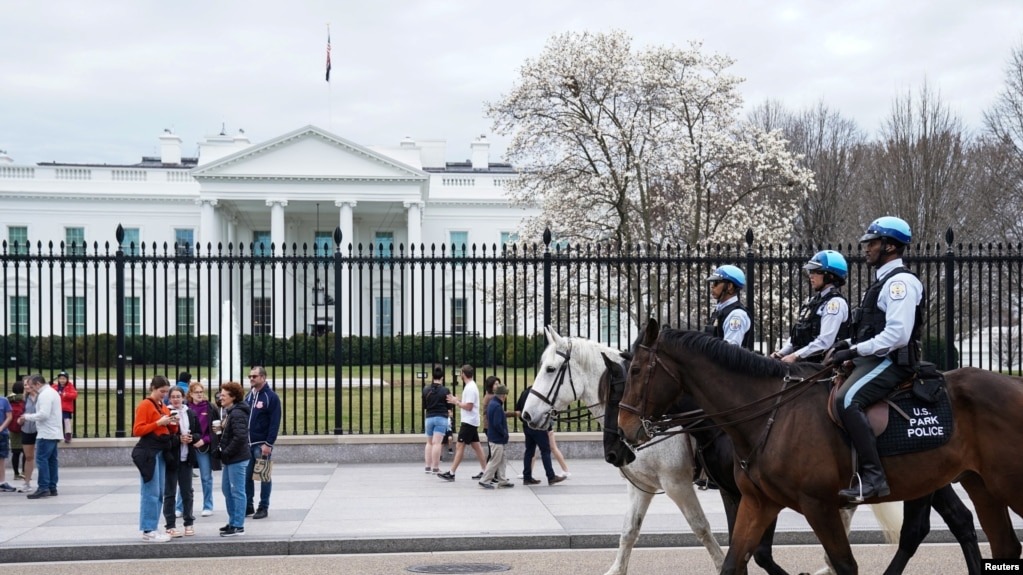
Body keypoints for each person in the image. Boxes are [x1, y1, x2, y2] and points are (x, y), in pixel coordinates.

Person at [826, 216, 922, 504]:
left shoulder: (900, 284)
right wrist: (849, 344)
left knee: (846, 399)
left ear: (890, 246)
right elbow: (875, 330)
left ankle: (873, 477)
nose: (866, 248)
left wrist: (855, 351)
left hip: (893, 361)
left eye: (872, 242)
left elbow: (897, 335)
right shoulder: (881, 283)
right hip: (876, 358)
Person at [772, 250, 851, 363]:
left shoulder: (835, 303)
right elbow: (797, 336)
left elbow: (824, 342)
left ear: (830, 276)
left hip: (822, 367)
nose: (811, 275)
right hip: (804, 363)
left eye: (816, 271)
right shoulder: (813, 301)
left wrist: (795, 356)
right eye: (811, 271)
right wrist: (782, 353)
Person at [131, 375, 177, 543]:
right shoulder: (145, 405)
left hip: (160, 451)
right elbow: (137, 430)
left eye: (166, 392)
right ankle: (148, 529)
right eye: (161, 391)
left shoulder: (161, 405)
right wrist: (159, 423)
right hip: (149, 452)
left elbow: (167, 428)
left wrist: (172, 422)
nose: (164, 395)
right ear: (153, 388)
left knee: (158, 492)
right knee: (150, 492)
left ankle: (153, 527)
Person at [437, 365, 487, 481]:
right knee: (477, 447)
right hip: (471, 421)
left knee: (460, 446)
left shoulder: (470, 387)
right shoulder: (471, 386)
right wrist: (457, 400)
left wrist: (456, 402)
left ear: (463, 374)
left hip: (468, 422)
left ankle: (452, 473)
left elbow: (469, 407)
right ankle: (486, 471)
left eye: (460, 373)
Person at [245, 366, 280, 520]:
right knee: (247, 476)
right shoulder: (249, 396)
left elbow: (274, 422)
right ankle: (248, 505)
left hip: (261, 444)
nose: (251, 378)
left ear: (263, 377)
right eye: (250, 376)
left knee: (263, 476)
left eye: (254, 376)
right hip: (247, 443)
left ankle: (263, 506)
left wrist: (268, 443)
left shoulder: (270, 397)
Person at [513, 384, 566, 486]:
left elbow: (519, 410)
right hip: (538, 427)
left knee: (529, 451)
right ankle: (551, 476)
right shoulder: (539, 395)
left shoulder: (524, 393)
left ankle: (527, 477)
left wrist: (525, 422)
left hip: (527, 426)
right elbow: (545, 412)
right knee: (545, 451)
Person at [162, 387, 197, 537]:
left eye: (178, 396)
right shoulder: (166, 413)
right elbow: (163, 437)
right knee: (170, 493)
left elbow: (198, 432)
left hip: (186, 458)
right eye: (173, 397)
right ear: (169, 399)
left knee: (187, 492)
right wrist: (178, 439)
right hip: (172, 459)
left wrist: (192, 438)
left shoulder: (190, 413)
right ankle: (170, 524)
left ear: (183, 398)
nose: (176, 399)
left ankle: (188, 522)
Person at [19, 374, 61, 500]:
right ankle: (52, 486)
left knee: (42, 459)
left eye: (32, 385)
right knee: (52, 460)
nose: (31, 388)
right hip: (53, 431)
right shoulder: (52, 392)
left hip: (46, 433)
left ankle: (43, 487)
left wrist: (26, 416)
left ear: (38, 384)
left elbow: (43, 415)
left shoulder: (44, 395)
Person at [218, 381, 251, 537]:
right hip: (231, 458)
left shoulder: (237, 413)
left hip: (236, 458)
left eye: (224, 395)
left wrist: (226, 452)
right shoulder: (232, 411)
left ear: (233, 397)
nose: (220, 397)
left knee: (237, 491)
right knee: (227, 489)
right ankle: (233, 521)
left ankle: (238, 525)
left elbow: (240, 437)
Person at [186, 380, 218, 516]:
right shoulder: (186, 407)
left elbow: (216, 430)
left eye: (201, 392)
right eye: (196, 392)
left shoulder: (210, 407)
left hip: (203, 446)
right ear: (191, 394)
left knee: (206, 477)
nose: (199, 395)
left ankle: (208, 505)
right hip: (187, 445)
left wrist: (204, 440)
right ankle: (181, 507)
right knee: (184, 478)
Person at [704, 264, 752, 347]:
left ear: (729, 286)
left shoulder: (736, 315)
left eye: (716, 283)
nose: (712, 286)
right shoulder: (720, 310)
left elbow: (729, 350)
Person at [477, 385, 513, 489]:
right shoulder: (497, 406)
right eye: (505, 395)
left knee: (502, 460)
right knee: (495, 460)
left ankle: (502, 480)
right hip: (497, 439)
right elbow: (497, 424)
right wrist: (504, 433)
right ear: (503, 396)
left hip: (495, 438)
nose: (506, 397)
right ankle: (484, 480)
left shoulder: (493, 404)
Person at [422, 366, 451, 474]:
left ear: (432, 377)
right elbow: (449, 406)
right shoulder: (445, 390)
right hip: (441, 417)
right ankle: (435, 467)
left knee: (429, 443)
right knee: (437, 443)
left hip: (429, 417)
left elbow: (424, 405)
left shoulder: (426, 389)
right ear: (442, 378)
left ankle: (427, 467)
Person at [18, 376, 37, 493]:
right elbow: (20, 414)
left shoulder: (42, 397)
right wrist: (20, 420)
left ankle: (45, 483)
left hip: (40, 429)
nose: (27, 386)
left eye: (29, 384)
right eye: (25, 385)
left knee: (42, 457)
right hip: (26, 429)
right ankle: (27, 482)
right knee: (28, 457)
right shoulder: (24, 399)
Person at [6, 381, 26, 483]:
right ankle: (24, 472)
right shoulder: (24, 399)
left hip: (12, 429)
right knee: (25, 452)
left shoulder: (9, 399)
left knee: (15, 453)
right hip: (24, 428)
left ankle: (16, 474)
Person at [52, 370, 77, 443]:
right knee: (57, 422)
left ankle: (68, 435)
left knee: (66, 421)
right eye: (60, 378)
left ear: (67, 379)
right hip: (57, 408)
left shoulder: (70, 386)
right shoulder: (55, 386)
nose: (62, 380)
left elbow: (74, 395)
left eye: (64, 379)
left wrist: (66, 395)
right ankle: (58, 436)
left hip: (66, 408)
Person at [0, 389, 14, 492]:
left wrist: (1, 428)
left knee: (1, 458)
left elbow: (9, 416)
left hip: (2, 434)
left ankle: (2, 482)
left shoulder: (4, 400)